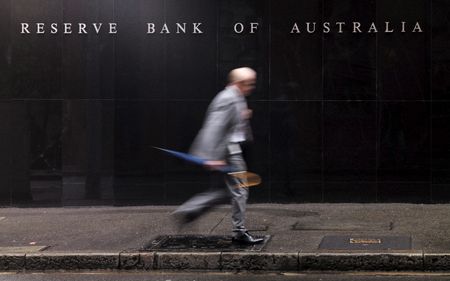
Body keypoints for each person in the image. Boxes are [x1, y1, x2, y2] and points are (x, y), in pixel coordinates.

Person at [172, 67, 263, 244]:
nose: (252, 87)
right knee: (240, 191)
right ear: (238, 83)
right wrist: (211, 156)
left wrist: (243, 116)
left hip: (228, 151)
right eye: (249, 83)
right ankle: (239, 232)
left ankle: (190, 209)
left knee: (223, 192)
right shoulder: (228, 98)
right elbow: (214, 127)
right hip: (228, 152)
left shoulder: (234, 97)